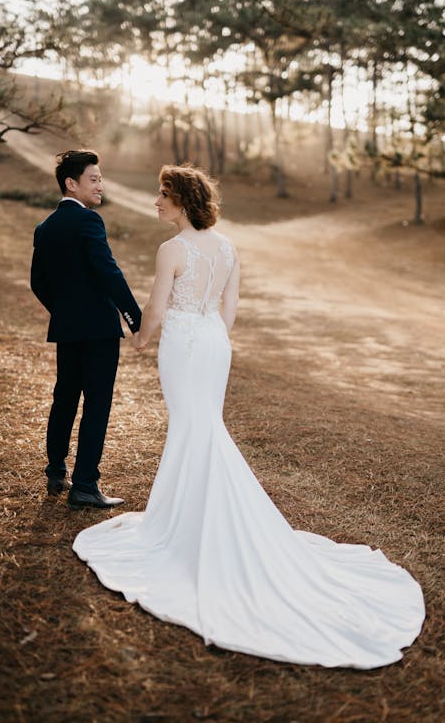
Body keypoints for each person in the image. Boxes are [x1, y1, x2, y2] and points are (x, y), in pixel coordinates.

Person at [73, 164, 425, 668]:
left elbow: (155, 308)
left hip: (185, 345)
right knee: (203, 428)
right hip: (214, 344)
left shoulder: (172, 250)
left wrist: (141, 337)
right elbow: (229, 305)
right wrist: (212, 336)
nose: (156, 202)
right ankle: (189, 515)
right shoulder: (228, 246)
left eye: (163, 195)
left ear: (182, 202)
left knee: (192, 429)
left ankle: (185, 528)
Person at [31, 149, 141, 510]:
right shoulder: (89, 222)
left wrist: (64, 312)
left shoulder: (45, 227)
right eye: (93, 179)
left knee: (64, 397)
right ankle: (85, 485)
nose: (100, 185)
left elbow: (38, 282)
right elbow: (109, 272)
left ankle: (55, 469)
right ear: (71, 183)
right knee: (96, 404)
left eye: (100, 178)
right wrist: (134, 317)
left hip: (68, 329)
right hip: (97, 331)